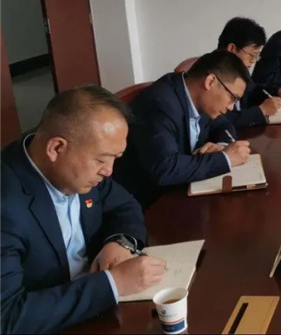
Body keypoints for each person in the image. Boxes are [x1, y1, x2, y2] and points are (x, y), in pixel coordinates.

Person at [1, 86, 166, 334]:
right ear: (56, 148)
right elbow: (8, 317)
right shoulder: (6, 205)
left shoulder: (79, 170)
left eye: (115, 158)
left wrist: (119, 243)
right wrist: (114, 283)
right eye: (101, 160)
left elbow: (125, 206)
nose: (109, 171)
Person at [112, 50, 252, 208]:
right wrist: (225, 159)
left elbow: (223, 125)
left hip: (181, 189)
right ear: (210, 82)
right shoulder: (159, 104)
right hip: (150, 203)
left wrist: (222, 146)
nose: (231, 107)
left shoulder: (198, 97)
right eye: (232, 98)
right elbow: (164, 167)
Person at [217, 17, 281, 129]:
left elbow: (252, 90)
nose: (253, 61)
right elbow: (219, 120)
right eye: (252, 55)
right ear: (232, 49)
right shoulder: (213, 76)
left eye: (256, 56)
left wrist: (277, 91)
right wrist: (260, 111)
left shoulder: (238, 69)